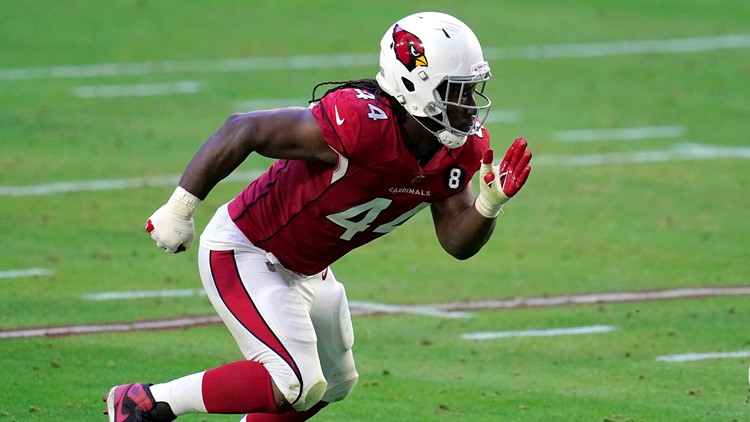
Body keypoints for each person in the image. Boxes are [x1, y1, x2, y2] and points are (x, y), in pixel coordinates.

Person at [103, 11, 531, 422]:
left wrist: (488, 206)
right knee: (294, 381)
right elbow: (243, 128)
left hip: (308, 269)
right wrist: (180, 208)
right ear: (413, 85)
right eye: (454, 92)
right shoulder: (362, 122)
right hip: (246, 249)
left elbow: (457, 242)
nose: (469, 107)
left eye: (470, 90)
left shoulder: (459, 147)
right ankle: (144, 402)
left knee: (335, 384)